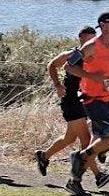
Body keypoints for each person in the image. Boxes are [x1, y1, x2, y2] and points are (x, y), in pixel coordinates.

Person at [63, 11, 109, 195]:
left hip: (107, 99)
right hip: (93, 99)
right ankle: (79, 156)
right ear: (102, 25)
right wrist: (91, 76)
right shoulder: (92, 46)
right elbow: (68, 66)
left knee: (97, 143)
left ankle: (74, 181)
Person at [34, 25, 103, 186]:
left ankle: (43, 156)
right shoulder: (71, 55)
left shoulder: (95, 58)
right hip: (70, 101)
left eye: (95, 39)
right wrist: (57, 84)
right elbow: (52, 65)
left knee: (69, 138)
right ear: (81, 39)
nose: (92, 43)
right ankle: (98, 175)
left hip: (84, 102)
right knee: (86, 141)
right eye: (89, 39)